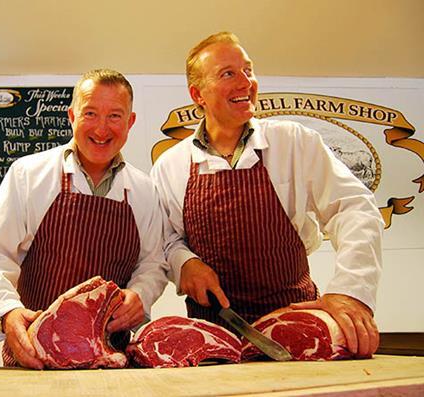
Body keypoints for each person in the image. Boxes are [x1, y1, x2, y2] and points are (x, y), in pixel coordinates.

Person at [151, 32, 384, 358]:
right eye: (228, 73)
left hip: (295, 325)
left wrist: (350, 291)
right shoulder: (170, 165)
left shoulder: (295, 142)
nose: (245, 82)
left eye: (248, 70)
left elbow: (354, 208)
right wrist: (184, 262)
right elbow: (166, 238)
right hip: (212, 337)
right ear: (198, 94)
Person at [0, 69, 169, 369]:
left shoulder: (144, 189)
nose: (102, 129)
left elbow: (153, 262)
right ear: (72, 116)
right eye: (90, 113)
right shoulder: (28, 175)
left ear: (130, 122)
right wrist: (7, 312)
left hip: (110, 360)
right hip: (35, 356)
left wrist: (140, 294)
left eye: (115, 116)